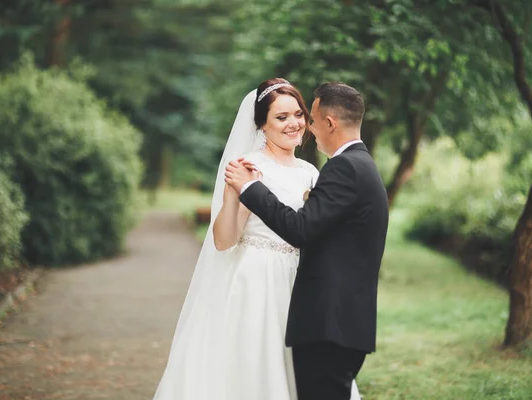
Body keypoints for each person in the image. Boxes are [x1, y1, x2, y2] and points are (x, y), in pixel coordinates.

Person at [153, 78, 361, 400]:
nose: (293, 124)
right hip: (256, 281)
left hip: (299, 282)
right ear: (262, 124)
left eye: (298, 114)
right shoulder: (250, 166)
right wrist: (233, 193)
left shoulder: (311, 172)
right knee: (255, 366)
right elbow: (224, 241)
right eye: (281, 117)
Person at [225, 82, 389, 400]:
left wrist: (251, 188)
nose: (306, 128)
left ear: (329, 123)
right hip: (343, 321)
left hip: (328, 325)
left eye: (308, 119)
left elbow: (301, 228)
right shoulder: (363, 166)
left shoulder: (343, 169)